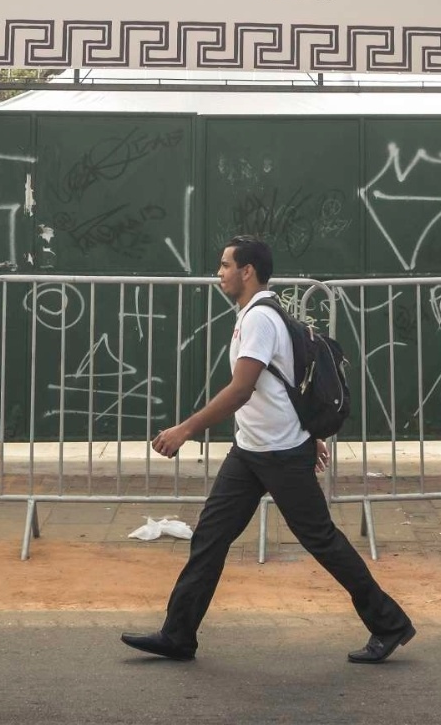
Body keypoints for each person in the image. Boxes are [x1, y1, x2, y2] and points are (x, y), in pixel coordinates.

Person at [122, 237, 415, 664]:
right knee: (210, 536)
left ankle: (389, 623)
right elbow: (284, 383)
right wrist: (306, 431)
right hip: (251, 451)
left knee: (321, 540)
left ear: (247, 271)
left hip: (278, 454)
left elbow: (242, 389)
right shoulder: (260, 313)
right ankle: (178, 634)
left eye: (225, 265)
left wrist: (185, 429)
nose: (219, 272)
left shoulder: (260, 318)